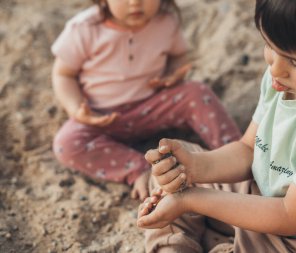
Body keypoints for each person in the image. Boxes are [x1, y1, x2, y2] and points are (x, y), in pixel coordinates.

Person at [137, 0, 296, 252]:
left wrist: (192, 200)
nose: (275, 68)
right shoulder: (285, 77)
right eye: (268, 46)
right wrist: (194, 168)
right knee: (177, 176)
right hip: (266, 198)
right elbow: (249, 149)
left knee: (188, 198)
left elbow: (292, 217)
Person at [51, 0, 241, 201]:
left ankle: (234, 152)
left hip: (152, 107)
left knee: (196, 92)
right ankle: (139, 169)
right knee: (67, 144)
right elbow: (63, 74)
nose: (135, 3)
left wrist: (172, 74)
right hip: (102, 117)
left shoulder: (166, 21)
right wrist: (75, 108)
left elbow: (179, 56)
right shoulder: (84, 28)